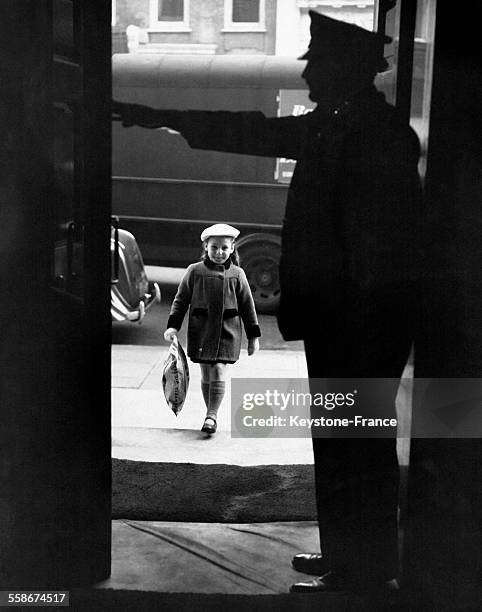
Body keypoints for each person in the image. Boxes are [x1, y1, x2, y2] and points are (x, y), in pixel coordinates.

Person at [112, 11, 422, 593]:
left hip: (359, 323)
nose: (308, 76)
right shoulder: (345, 124)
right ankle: (347, 556)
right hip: (348, 320)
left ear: (349, 71)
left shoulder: (368, 133)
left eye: (318, 64)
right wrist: (161, 118)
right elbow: (253, 130)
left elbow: (376, 248)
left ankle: (364, 570)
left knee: (356, 444)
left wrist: (357, 319)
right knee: (344, 441)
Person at [163, 223, 260, 434]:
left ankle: (211, 416)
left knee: (218, 369)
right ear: (206, 247)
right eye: (214, 247)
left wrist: (253, 337)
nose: (219, 252)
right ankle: (210, 411)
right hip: (202, 330)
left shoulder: (238, 274)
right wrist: (173, 326)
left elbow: (247, 306)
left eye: (224, 248)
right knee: (207, 374)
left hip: (228, 332)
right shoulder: (194, 271)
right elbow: (181, 300)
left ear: (232, 248)